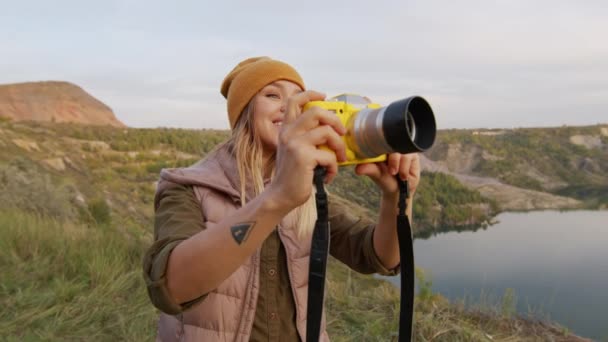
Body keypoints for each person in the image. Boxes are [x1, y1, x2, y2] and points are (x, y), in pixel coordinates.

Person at [143, 56, 421, 342]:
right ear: (243, 111)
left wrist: (396, 198)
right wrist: (278, 198)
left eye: (298, 101)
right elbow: (171, 287)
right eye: (273, 95)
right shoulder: (188, 187)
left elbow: (377, 256)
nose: (289, 108)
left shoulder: (307, 190)